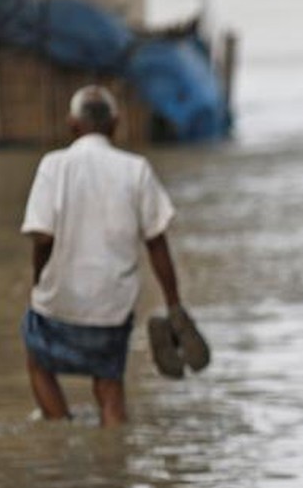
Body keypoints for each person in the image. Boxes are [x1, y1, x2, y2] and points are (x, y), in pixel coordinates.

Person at [20, 84, 204, 426]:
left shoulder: (53, 166)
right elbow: (157, 243)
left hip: (59, 299)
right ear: (115, 123)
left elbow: (42, 238)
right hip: (112, 307)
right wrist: (174, 304)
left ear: (72, 125)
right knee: (108, 384)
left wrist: (38, 284)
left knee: (38, 362)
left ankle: (61, 429)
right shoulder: (136, 169)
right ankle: (113, 465)